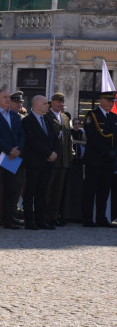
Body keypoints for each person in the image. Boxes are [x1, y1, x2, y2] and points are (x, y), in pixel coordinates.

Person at [0, 88, 25, 230]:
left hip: (12, 157)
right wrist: (9, 149)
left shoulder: (15, 116)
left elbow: (21, 135)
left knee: (12, 188)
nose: (8, 99)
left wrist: (17, 150)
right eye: (5, 97)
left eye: (9, 97)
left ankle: (8, 219)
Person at [21, 95, 59, 230]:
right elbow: (32, 141)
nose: (47, 106)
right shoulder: (28, 121)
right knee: (30, 191)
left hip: (47, 163)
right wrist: (48, 153)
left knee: (43, 192)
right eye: (44, 104)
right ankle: (29, 221)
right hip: (34, 162)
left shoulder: (48, 120)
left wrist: (54, 152)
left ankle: (41, 219)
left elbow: (55, 138)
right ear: (36, 105)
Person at [81, 91, 116, 227]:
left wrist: (114, 152)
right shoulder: (92, 115)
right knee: (90, 190)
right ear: (101, 100)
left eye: (112, 101)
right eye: (109, 101)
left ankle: (102, 218)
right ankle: (88, 218)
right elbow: (92, 137)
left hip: (108, 161)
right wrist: (107, 151)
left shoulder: (113, 117)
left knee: (104, 190)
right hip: (95, 159)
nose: (111, 103)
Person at [46, 93, 73, 227]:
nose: (61, 104)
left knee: (58, 190)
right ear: (52, 103)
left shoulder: (65, 118)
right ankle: (44, 215)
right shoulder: (46, 116)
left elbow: (69, 139)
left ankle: (54, 215)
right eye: (58, 102)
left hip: (63, 160)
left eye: (62, 102)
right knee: (48, 189)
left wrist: (70, 155)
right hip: (51, 159)